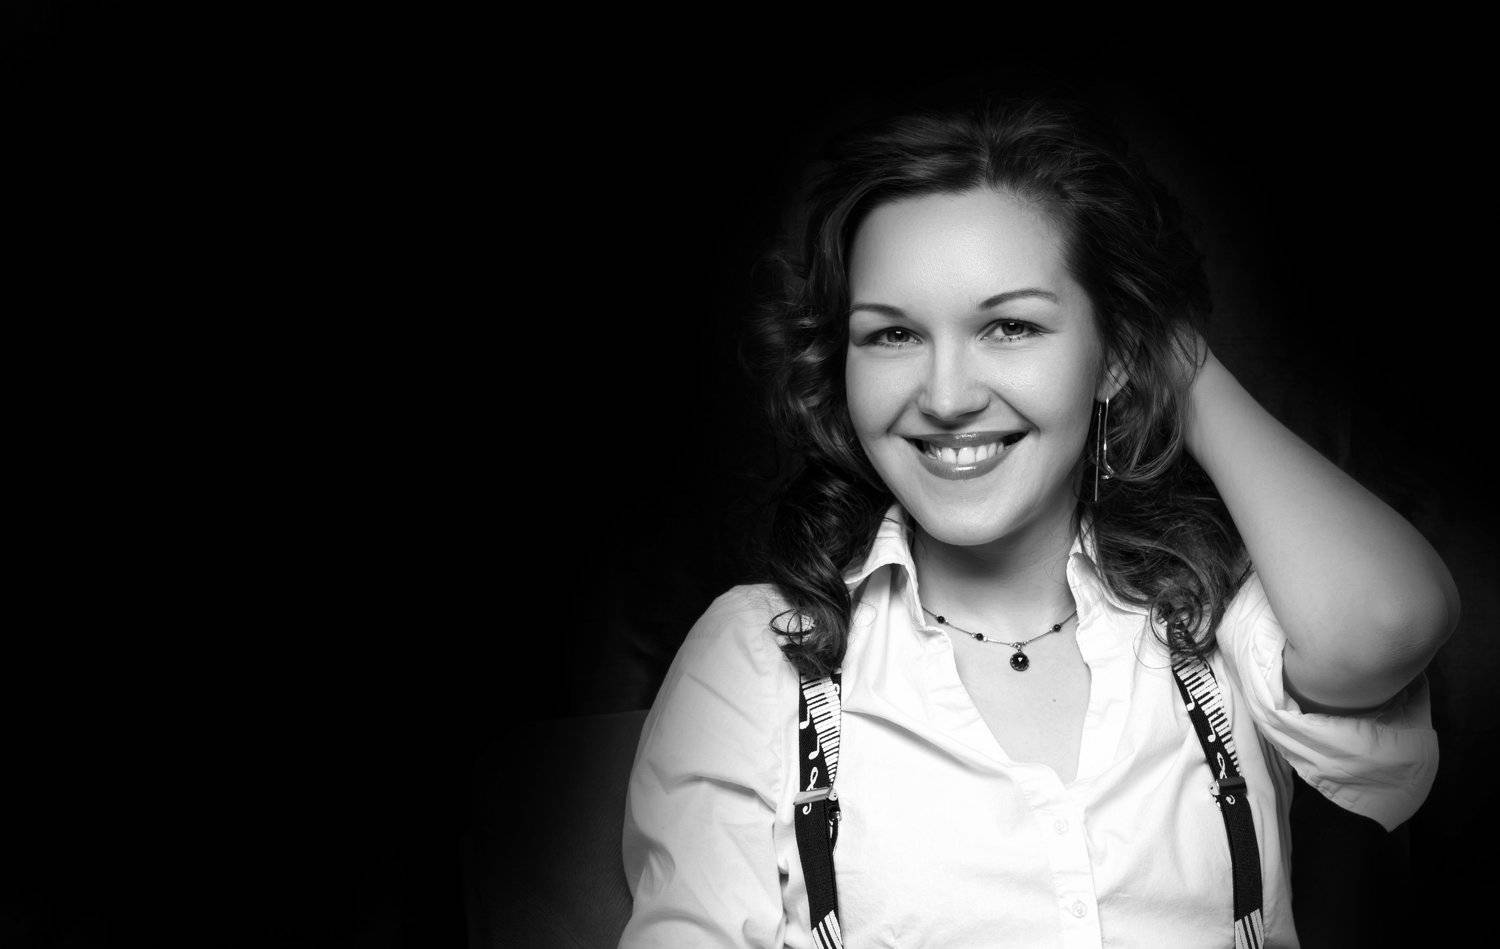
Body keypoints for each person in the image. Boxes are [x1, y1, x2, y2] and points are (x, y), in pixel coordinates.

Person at [617, 96, 1455, 948]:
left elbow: (1389, 622)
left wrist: (1167, 357)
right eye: (893, 335)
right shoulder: (761, 654)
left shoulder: (1207, 615)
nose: (946, 397)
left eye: (1010, 326)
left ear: (1115, 352)